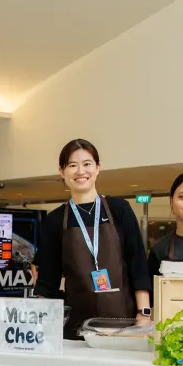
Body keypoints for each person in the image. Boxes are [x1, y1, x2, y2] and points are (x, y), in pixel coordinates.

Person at [33, 139, 151, 338]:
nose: (81, 171)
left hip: (124, 323)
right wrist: (38, 324)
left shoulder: (119, 209)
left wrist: (144, 313)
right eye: (72, 165)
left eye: (87, 164)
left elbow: (137, 263)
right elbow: (48, 280)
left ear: (98, 168)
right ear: (62, 171)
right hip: (76, 327)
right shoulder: (56, 220)